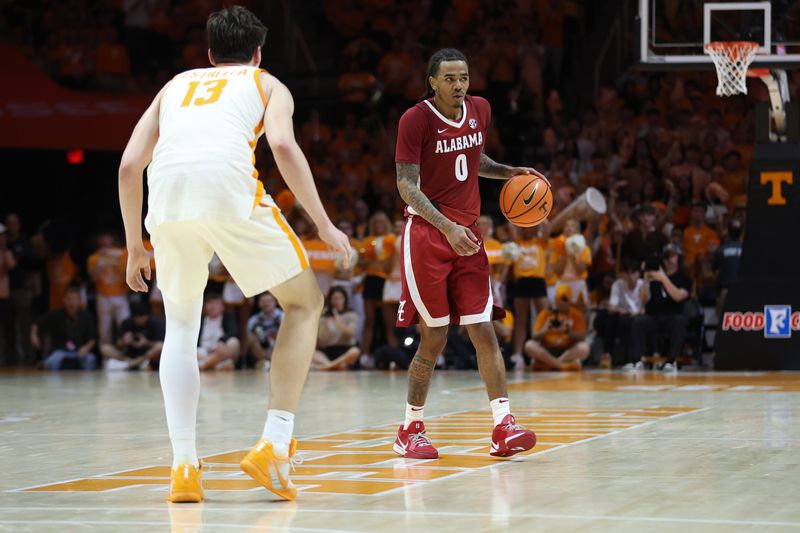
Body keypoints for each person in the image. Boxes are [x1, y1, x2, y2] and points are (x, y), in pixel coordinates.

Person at [118, 6, 350, 503]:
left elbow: (128, 164)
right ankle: (275, 443)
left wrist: (135, 245)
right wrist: (325, 225)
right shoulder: (268, 84)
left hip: (167, 199)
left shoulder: (175, 85)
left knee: (180, 328)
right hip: (228, 190)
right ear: (258, 53)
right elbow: (284, 146)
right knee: (305, 304)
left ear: (208, 54)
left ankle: (183, 468)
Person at [394, 48, 540, 459]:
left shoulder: (480, 110)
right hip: (427, 235)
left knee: (484, 330)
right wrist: (446, 226)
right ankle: (410, 428)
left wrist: (508, 172)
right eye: (451, 78)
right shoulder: (415, 119)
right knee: (434, 337)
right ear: (433, 82)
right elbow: (407, 185)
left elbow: (473, 161)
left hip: (468, 236)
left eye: (464, 77)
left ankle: (503, 426)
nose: (459, 85)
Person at [630, 244, 691, 373]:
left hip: (672, 316)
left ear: (679, 258)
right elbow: (644, 299)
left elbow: (678, 296)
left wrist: (663, 278)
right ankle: (637, 361)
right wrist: (646, 280)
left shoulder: (684, 278)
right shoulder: (654, 276)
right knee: (638, 322)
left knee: (680, 321)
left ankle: (671, 361)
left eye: (673, 256)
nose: (669, 259)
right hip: (653, 316)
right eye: (667, 256)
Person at [523, 284, 590, 371]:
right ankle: (562, 366)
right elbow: (534, 336)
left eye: (565, 299)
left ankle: (550, 365)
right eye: (560, 299)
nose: (562, 302)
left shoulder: (576, 315)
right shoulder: (545, 314)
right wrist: (545, 329)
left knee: (584, 347)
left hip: (567, 351)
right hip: (547, 350)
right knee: (529, 345)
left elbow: (582, 337)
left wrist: (569, 331)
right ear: (555, 299)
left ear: (570, 301)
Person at [32, 285, 98, 370]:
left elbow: (92, 338)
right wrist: (33, 334)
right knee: (51, 363)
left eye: (75, 299)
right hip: (61, 351)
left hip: (80, 350)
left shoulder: (87, 316)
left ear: (80, 300)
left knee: (91, 360)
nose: (72, 302)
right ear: (64, 299)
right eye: (69, 299)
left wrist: (86, 347)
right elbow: (38, 321)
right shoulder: (57, 315)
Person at [100, 302, 164, 370]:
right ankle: (135, 363)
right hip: (128, 354)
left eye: (142, 317)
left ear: (147, 316)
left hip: (146, 353)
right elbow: (118, 344)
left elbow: (160, 343)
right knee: (104, 348)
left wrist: (146, 342)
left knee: (160, 346)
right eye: (138, 318)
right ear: (133, 317)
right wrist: (124, 341)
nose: (140, 320)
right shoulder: (126, 323)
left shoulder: (154, 323)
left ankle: (130, 364)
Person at [312, 286, 361, 370]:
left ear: (345, 299)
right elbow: (322, 338)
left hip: (344, 350)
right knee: (312, 353)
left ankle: (326, 367)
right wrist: (325, 321)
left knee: (355, 351)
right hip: (328, 351)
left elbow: (351, 333)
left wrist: (339, 323)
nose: (337, 301)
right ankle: (333, 365)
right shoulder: (324, 317)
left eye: (340, 298)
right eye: (334, 298)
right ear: (330, 300)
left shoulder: (351, 315)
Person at [196, 292, 240, 371]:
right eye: (210, 303)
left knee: (234, 342)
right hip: (203, 352)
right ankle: (217, 366)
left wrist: (222, 341)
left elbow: (234, 331)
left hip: (221, 351)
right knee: (198, 352)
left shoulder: (228, 318)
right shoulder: (199, 320)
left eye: (216, 303)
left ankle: (204, 365)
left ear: (223, 307)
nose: (213, 307)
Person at [245, 292, 283, 369]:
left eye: (269, 301)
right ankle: (270, 362)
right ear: (259, 304)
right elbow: (249, 342)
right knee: (253, 339)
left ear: (275, 302)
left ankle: (272, 363)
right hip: (263, 350)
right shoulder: (253, 320)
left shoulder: (283, 316)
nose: (266, 304)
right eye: (264, 302)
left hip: (281, 347)